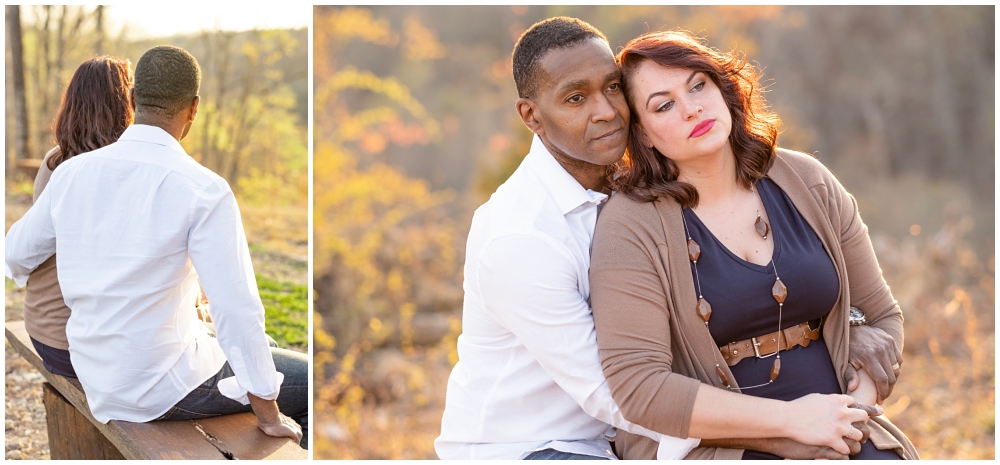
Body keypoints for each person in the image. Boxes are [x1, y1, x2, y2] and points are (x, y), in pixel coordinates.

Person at [435, 17, 897, 461]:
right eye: (575, 99)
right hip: (538, 445)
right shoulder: (522, 238)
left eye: (612, 88)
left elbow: (873, 308)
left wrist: (849, 329)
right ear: (532, 116)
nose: (604, 111)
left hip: (654, 432)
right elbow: (619, 392)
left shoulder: (625, 181)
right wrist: (784, 431)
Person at [589, 30, 917, 459]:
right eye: (664, 105)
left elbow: (883, 316)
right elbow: (640, 386)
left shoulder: (807, 179)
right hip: (720, 445)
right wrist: (792, 424)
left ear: (721, 88)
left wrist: (854, 414)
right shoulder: (629, 226)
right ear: (644, 134)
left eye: (698, 85)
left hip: (841, 427)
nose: (692, 109)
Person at [5, 45, 307, 448]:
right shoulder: (204, 189)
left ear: (134, 100)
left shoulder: (70, 173)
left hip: (96, 373)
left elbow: (14, 257)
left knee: (266, 353)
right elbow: (236, 309)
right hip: (160, 388)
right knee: (314, 385)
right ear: (194, 109)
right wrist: (268, 414)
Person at [22, 56, 134, 379]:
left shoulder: (53, 161)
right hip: (76, 347)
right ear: (126, 105)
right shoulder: (119, 172)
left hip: (41, 329)